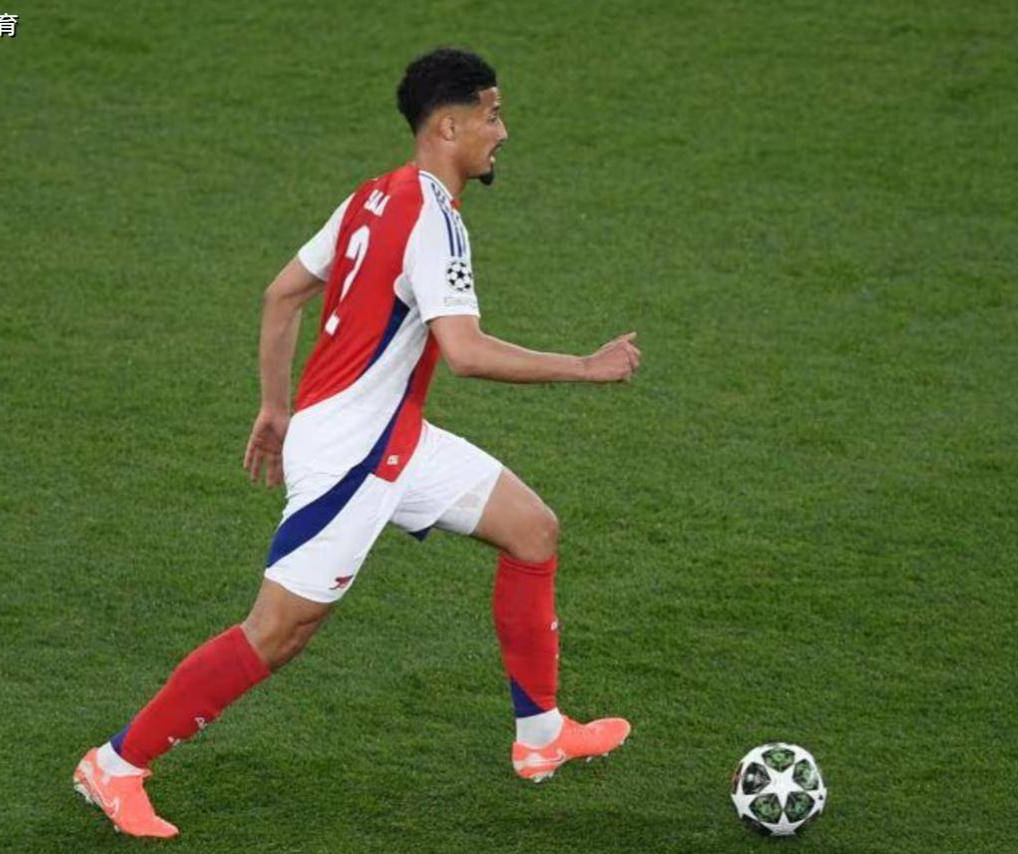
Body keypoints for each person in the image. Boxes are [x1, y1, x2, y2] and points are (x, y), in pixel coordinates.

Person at [72, 46, 642, 839]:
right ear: (448, 126)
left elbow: (282, 296)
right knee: (277, 633)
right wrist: (583, 366)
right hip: (353, 455)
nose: (502, 132)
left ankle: (540, 736)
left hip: (387, 436)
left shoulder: (373, 195)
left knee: (531, 530)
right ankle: (115, 764)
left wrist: (276, 408)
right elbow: (465, 352)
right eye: (491, 114)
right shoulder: (434, 221)